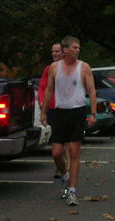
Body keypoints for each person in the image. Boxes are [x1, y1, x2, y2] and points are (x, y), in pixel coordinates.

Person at [41, 36, 97, 206]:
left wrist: (93, 113)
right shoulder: (54, 67)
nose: (77, 50)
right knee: (56, 153)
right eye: (74, 47)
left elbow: (92, 91)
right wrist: (44, 111)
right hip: (59, 112)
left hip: (77, 112)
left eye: (78, 47)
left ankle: (72, 192)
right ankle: (65, 176)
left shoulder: (84, 67)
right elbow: (49, 89)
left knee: (73, 152)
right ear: (65, 50)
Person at [38, 42, 70, 178]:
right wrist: (41, 103)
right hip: (51, 108)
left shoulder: (68, 68)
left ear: (63, 52)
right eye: (52, 51)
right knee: (56, 138)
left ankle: (67, 165)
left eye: (57, 51)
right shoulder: (48, 69)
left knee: (65, 138)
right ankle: (60, 165)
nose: (54, 54)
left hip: (65, 108)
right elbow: (42, 88)